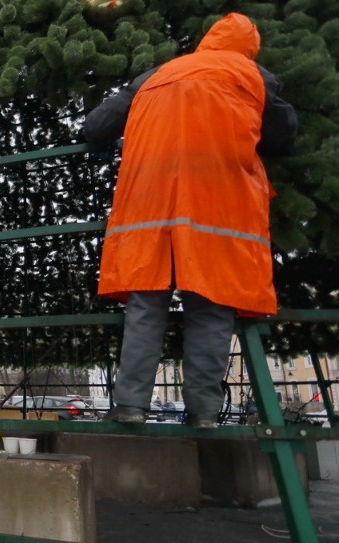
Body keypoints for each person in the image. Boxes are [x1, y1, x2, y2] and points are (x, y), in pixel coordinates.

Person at [83, 13, 297, 429]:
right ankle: (203, 412)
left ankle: (130, 404)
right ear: (249, 49)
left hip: (147, 206)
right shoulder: (253, 74)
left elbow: (97, 125)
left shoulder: (159, 72)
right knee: (212, 306)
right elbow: (283, 135)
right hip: (216, 207)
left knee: (146, 302)